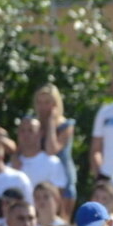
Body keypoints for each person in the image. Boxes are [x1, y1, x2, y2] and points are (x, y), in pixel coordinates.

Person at [32, 84, 77, 212]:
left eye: (47, 102)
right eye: (39, 102)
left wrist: (51, 123)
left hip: (63, 181)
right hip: (40, 178)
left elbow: (51, 150)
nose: (43, 107)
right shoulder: (34, 125)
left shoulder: (66, 126)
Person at [11, 117, 67, 193]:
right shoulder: (11, 165)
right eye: (22, 131)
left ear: (40, 133)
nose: (26, 134)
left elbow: (58, 195)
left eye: (31, 130)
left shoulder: (53, 163)